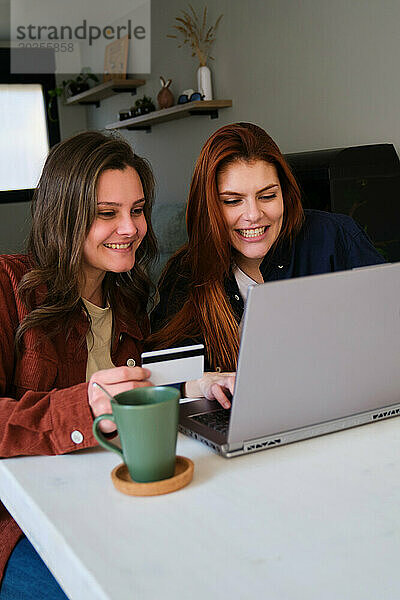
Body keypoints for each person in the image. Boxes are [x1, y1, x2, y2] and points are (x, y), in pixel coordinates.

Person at [0, 131, 158, 598]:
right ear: (63, 218)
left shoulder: (130, 301)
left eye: (138, 209)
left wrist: (195, 384)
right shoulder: (9, 287)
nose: (129, 228)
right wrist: (81, 408)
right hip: (23, 524)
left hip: (110, 503)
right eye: (106, 214)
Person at [149, 122, 385, 405]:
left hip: (345, 408)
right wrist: (198, 384)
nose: (253, 215)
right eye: (233, 201)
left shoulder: (335, 238)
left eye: (267, 196)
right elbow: (159, 378)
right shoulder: (187, 273)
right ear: (209, 206)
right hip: (236, 426)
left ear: (285, 194)